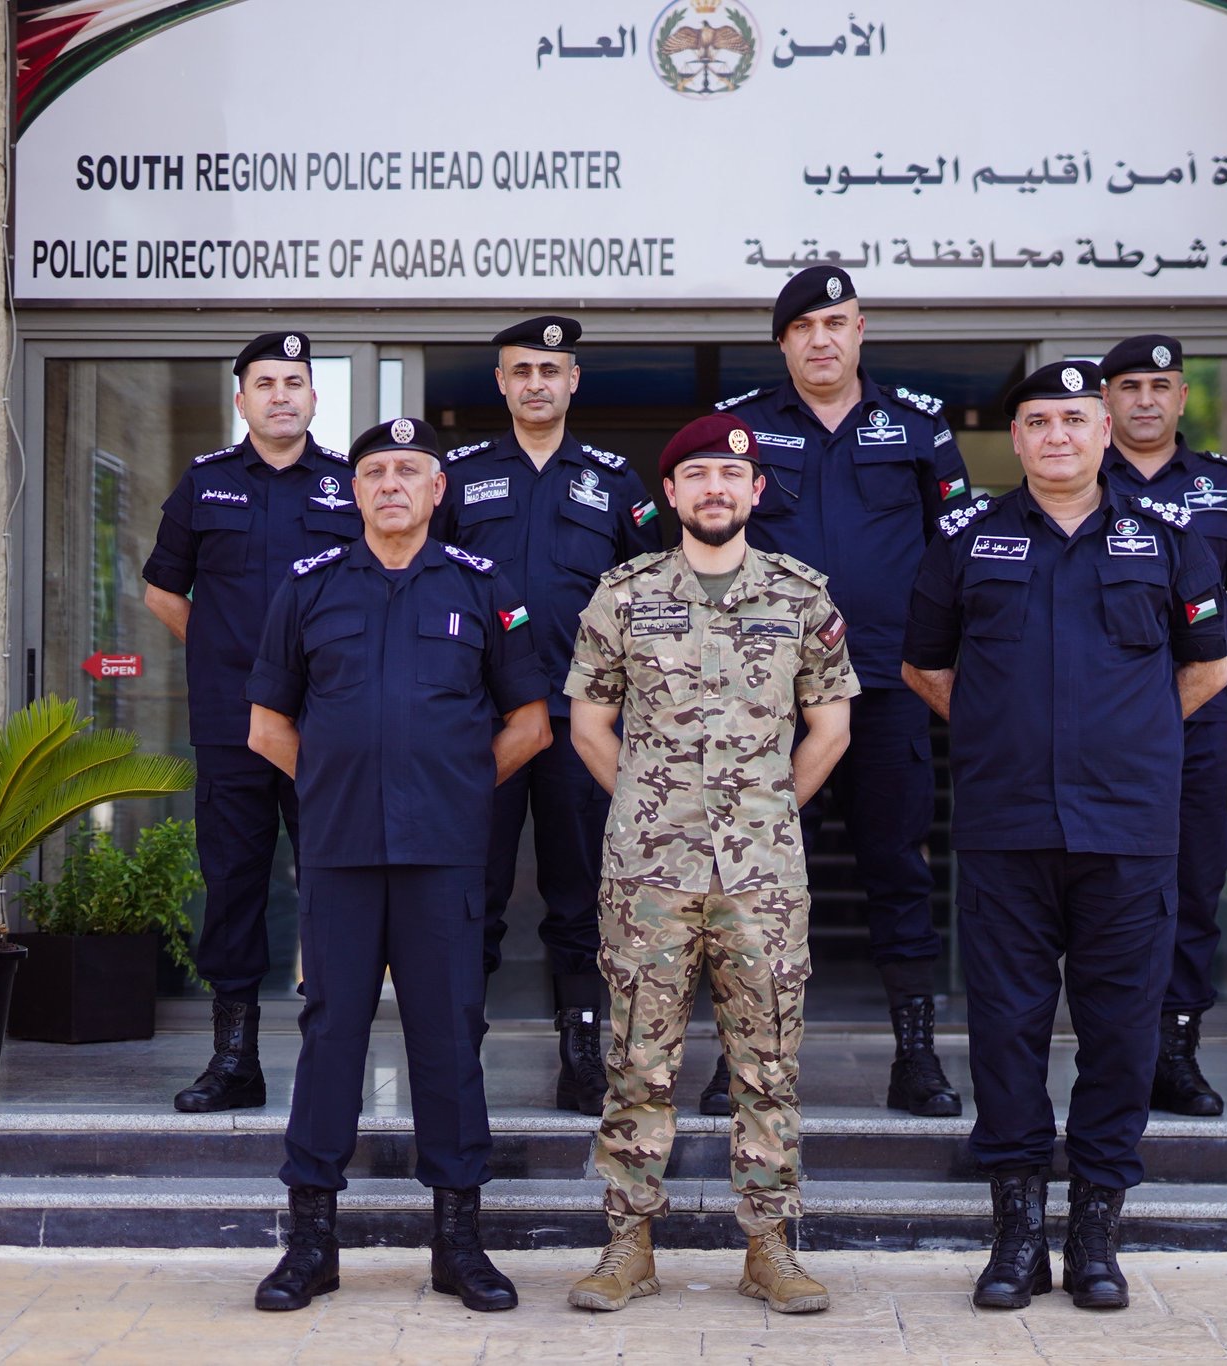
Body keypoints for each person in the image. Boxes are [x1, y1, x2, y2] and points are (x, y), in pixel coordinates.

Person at [902, 361, 1227, 1311]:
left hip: (1129, 830)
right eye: (1039, 421)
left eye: (1074, 420)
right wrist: (1002, 728)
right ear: (1016, 439)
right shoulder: (966, 540)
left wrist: (1129, 738)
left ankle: (1095, 1234)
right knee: (1006, 1031)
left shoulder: (1167, 539)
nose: (1057, 436)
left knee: (1121, 1033)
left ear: (1104, 432)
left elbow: (1206, 670)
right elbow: (924, 667)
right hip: (1005, 826)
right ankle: (1016, 1236)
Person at [243, 418, 552, 1314]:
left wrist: (456, 789)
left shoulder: (483, 586)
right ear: (353, 491)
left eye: (409, 472)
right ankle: (311, 1244)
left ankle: (458, 1245)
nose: (390, 485)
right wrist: (336, 786)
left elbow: (530, 724)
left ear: (436, 490)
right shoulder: (307, 588)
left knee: (450, 1041)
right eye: (375, 471)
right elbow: (267, 726)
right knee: (330, 1036)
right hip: (339, 854)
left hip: (444, 857)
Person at [563, 413, 856, 1316]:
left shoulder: (801, 597)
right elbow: (589, 723)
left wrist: (764, 811)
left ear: (756, 491)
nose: (715, 489)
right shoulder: (624, 595)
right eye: (696, 476)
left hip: (762, 877)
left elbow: (831, 727)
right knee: (637, 1060)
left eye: (731, 476)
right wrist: (650, 809)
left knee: (768, 1063)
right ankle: (628, 1245)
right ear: (671, 493)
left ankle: (768, 1247)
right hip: (648, 877)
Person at [711, 265, 970, 1118]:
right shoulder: (739, 430)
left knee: (899, 870)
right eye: (803, 328)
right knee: (752, 878)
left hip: (885, 687)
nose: (821, 340)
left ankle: (916, 1058)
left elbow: (956, 557)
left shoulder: (920, 428)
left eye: (836, 324)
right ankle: (740, 1058)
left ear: (861, 330)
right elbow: (704, 547)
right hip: (769, 699)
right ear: (782, 343)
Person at [431, 315, 662, 1115]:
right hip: (481, 722)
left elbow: (650, 602)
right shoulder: (457, 477)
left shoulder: (614, 482)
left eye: (550, 370)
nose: (536, 383)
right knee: (472, 889)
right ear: (501, 383)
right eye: (522, 371)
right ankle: (457, 1050)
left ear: (573, 382)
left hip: (579, 723)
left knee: (581, 892)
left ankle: (581, 1052)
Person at [142, 331, 359, 1115]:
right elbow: (163, 591)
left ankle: (332, 1054)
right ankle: (235, 1059)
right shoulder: (205, 485)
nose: (280, 396)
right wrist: (223, 654)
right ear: (242, 400)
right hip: (231, 721)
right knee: (234, 883)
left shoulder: (347, 486)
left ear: (313, 397)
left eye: (293, 382)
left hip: (325, 725)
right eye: (265, 383)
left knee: (332, 882)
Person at [1100, 334, 1227, 1118]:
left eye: (1160, 386)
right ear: (1106, 400)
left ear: (1181, 397)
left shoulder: (1223, 487)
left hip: (1200, 724)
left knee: (1193, 884)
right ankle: (1114, 1050)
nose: (1145, 400)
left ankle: (1175, 1052)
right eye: (1129, 386)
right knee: (1103, 887)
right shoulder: (1076, 473)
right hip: (1097, 728)